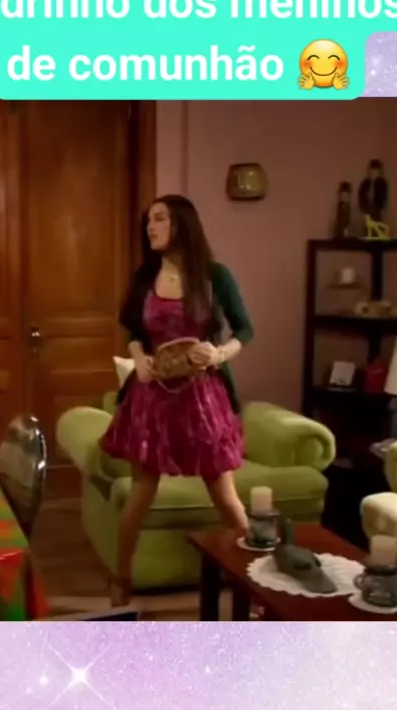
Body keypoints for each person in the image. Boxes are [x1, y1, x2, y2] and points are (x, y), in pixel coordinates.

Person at [100, 194, 254, 606]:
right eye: (148, 220)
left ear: (181, 223)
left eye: (159, 219)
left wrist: (219, 354)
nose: (150, 227)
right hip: (152, 397)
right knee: (140, 493)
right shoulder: (146, 276)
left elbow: (245, 329)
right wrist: (138, 359)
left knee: (225, 497)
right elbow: (133, 332)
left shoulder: (215, 275)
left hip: (202, 396)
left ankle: (255, 582)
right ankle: (121, 578)